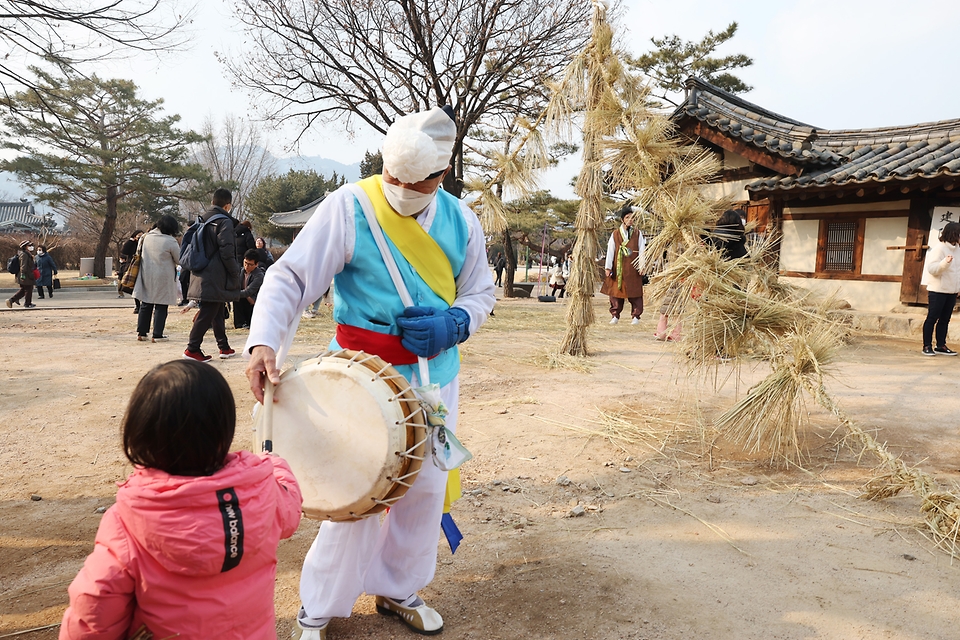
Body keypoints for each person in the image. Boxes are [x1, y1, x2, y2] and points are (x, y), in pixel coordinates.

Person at [244, 105, 495, 639]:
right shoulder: (350, 206)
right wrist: (264, 341)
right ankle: (317, 608)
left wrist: (455, 322)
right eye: (393, 177)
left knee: (424, 488)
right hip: (362, 377)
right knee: (354, 488)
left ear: (441, 175)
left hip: (434, 375)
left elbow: (480, 292)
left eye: (415, 181)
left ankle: (399, 587)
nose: (400, 188)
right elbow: (290, 277)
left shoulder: (461, 219)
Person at [58, 359, 302, 640]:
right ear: (223, 430)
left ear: (139, 434)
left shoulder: (127, 521)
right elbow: (291, 506)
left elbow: (95, 604)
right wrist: (274, 465)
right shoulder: (263, 493)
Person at [183, 188, 241, 362]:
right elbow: (227, 251)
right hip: (215, 274)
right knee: (209, 311)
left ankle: (224, 347)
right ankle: (192, 349)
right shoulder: (224, 222)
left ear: (212, 202)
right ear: (228, 205)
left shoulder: (201, 220)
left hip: (199, 271)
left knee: (216, 308)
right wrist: (234, 272)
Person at [133, 215, 181, 343]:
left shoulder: (145, 237)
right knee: (161, 305)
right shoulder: (170, 241)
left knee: (146, 303)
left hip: (146, 273)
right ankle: (157, 334)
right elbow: (179, 259)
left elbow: (138, 253)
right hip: (163, 276)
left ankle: (142, 333)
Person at [601, 204, 646, 325]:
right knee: (615, 292)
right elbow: (611, 250)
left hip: (633, 267)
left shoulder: (638, 234)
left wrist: (642, 266)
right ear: (622, 219)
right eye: (627, 217)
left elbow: (642, 251)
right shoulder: (615, 234)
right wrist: (608, 267)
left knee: (635, 292)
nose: (630, 220)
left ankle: (636, 316)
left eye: (632, 218)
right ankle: (615, 315)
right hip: (618, 267)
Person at [921, 221, 960, 356]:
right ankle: (926, 346)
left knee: (945, 319)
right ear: (954, 234)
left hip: (951, 291)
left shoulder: (958, 249)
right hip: (938, 291)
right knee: (932, 318)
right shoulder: (939, 249)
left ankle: (940, 345)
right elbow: (932, 269)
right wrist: (945, 263)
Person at [234, 249, 265, 329]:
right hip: (243, 299)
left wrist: (231, 293)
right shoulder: (241, 271)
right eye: (245, 263)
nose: (246, 266)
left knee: (238, 296)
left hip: (253, 302)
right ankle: (239, 324)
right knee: (237, 298)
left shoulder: (259, 276)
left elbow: (249, 291)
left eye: (250, 264)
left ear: (256, 264)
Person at [118, 229, 144, 312]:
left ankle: (143, 304)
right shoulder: (131, 244)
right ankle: (137, 305)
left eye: (141, 236)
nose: (140, 238)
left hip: (143, 266)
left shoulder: (145, 244)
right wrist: (131, 241)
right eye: (138, 236)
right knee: (133, 286)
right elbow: (124, 251)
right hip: (132, 267)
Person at [6, 239, 37, 308]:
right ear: (25, 246)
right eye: (29, 245)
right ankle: (27, 303)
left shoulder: (27, 254)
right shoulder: (24, 255)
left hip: (27, 274)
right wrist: (23, 274)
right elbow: (23, 265)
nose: (31, 247)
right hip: (25, 275)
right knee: (28, 288)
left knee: (24, 289)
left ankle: (12, 300)